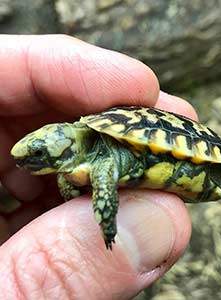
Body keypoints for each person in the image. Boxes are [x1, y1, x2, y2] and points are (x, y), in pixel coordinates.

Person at [0, 35, 197, 299]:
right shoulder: (74, 169)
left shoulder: (102, 158)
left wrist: (107, 225)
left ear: (70, 146)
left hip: (180, 158)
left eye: (39, 153)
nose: (28, 160)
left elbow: (103, 179)